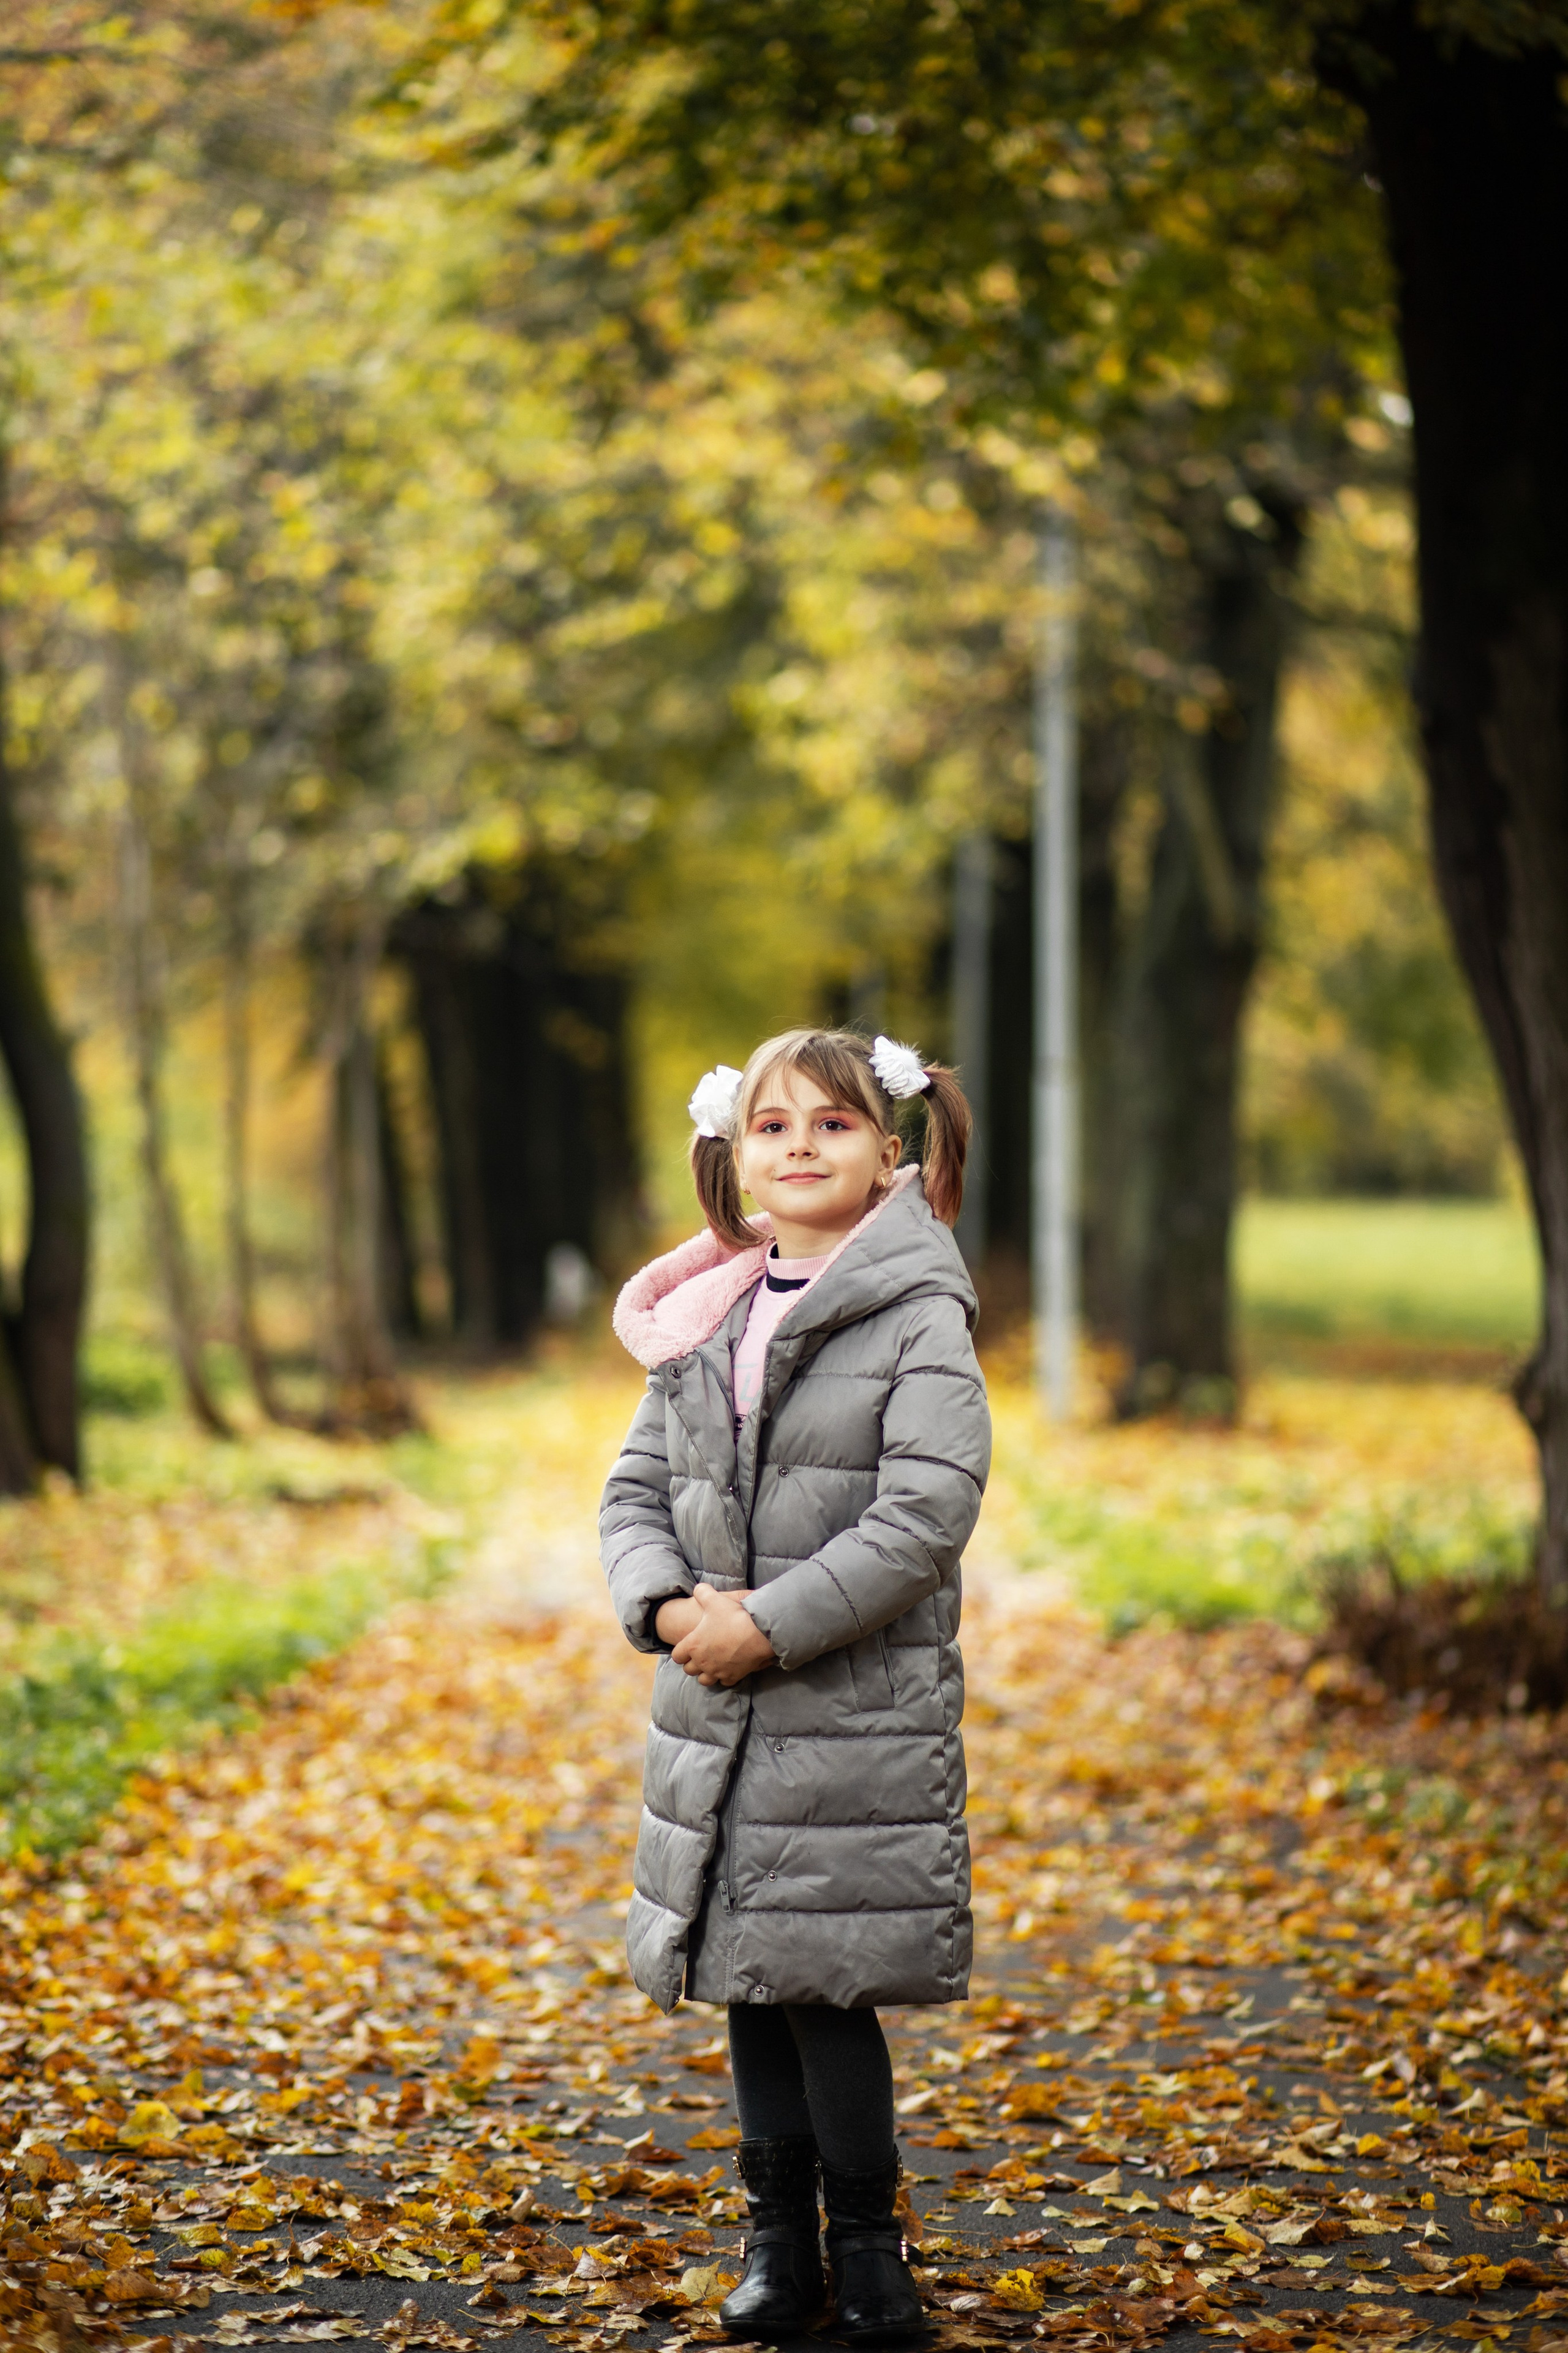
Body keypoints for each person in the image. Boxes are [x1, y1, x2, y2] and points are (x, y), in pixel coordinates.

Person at [601, 1026, 991, 2343]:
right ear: (733, 1155)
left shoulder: (918, 1311)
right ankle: (777, 2245)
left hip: (845, 1709)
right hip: (715, 1699)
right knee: (750, 1987)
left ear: (889, 1150)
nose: (799, 1147)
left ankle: (869, 2248)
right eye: (773, 1127)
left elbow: (923, 1510)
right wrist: (663, 1603)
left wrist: (767, 1625)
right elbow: (636, 1488)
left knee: (827, 1991)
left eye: (830, 1125)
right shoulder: (705, 1316)